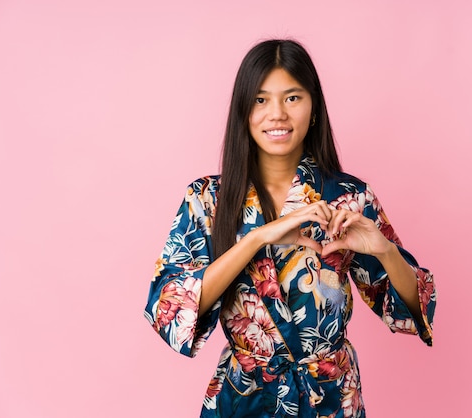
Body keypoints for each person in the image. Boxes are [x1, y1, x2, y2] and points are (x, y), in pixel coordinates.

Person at [144, 39, 436, 418]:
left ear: (313, 109)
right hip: (244, 398)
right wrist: (256, 239)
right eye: (261, 100)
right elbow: (169, 306)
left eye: (292, 98)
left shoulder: (348, 197)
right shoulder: (207, 199)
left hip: (330, 398)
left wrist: (385, 250)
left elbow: (413, 308)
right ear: (243, 111)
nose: (277, 114)